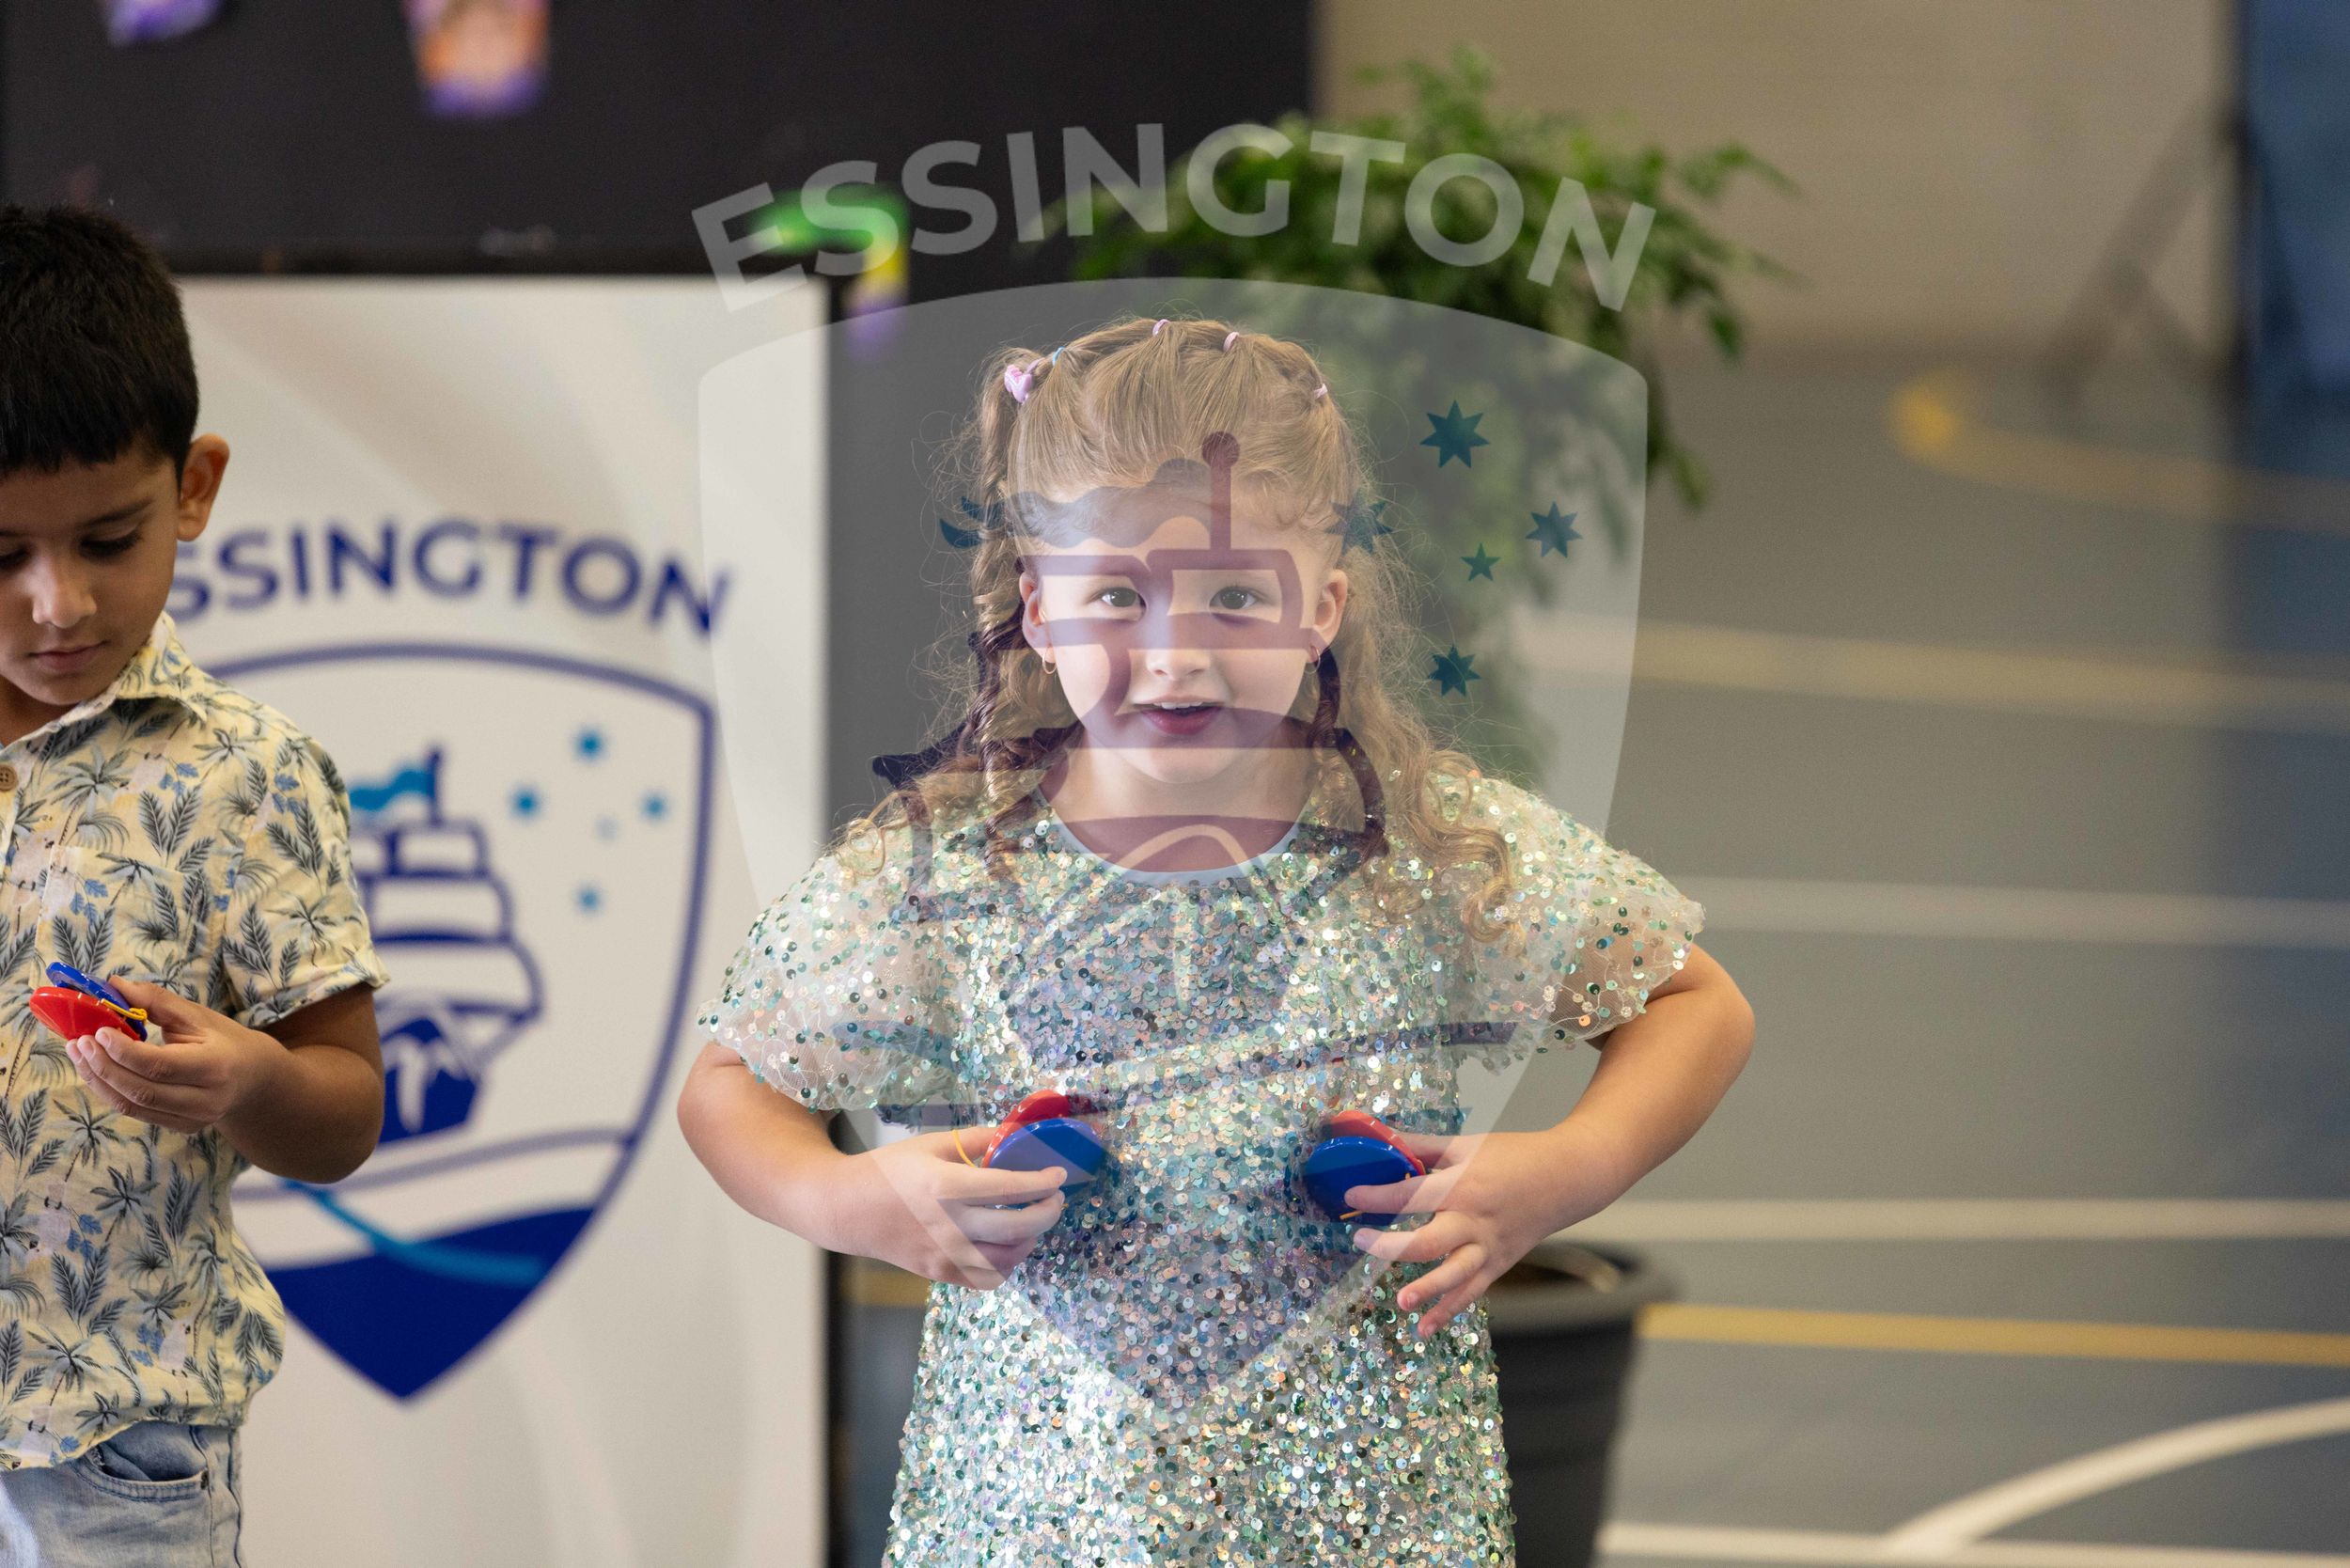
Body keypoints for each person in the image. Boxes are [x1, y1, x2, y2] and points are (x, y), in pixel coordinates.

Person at [678, 315, 1755, 1564]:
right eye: (1116, 598)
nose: (1175, 655)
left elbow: (1694, 1005)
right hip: (1034, 1521)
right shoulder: (944, 872)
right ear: (1038, 611)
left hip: (1378, 1523)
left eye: (1237, 596)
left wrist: (1559, 1173)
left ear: (1322, 609)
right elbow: (730, 1087)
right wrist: (854, 1198)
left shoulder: (1425, 844)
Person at [0, 204, 389, 1565]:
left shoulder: (246, 772)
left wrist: (251, 1080)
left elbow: (345, 1112)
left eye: (108, 541)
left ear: (194, 487)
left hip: (118, 1448)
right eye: (1, 556)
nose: (58, 604)